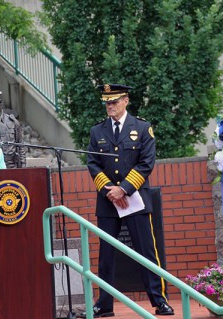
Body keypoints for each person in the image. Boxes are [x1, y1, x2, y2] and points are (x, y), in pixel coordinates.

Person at [82, 84, 174, 317]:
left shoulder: (142, 128)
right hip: (107, 201)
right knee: (106, 254)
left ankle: (159, 300)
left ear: (126, 100)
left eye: (114, 101)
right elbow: (92, 163)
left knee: (146, 251)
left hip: (135, 198)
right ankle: (104, 304)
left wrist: (123, 189)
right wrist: (108, 190)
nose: (109, 106)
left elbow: (146, 163)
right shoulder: (97, 131)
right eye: (107, 102)